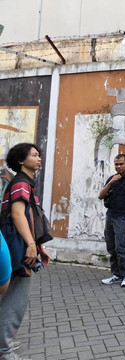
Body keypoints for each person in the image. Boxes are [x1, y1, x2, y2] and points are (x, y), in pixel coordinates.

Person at [0, 143, 51, 360]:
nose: (39, 158)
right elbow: (18, 215)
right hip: (19, 249)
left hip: (19, 246)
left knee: (10, 296)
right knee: (15, 300)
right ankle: (4, 348)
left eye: (39, 154)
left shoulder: (24, 183)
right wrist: (31, 245)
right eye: (34, 155)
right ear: (21, 161)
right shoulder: (21, 183)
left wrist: (39, 246)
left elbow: (31, 219)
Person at [98, 154, 125, 288]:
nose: (119, 166)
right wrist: (111, 182)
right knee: (111, 248)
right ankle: (116, 275)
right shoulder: (112, 178)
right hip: (111, 216)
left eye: (121, 164)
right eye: (116, 164)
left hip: (123, 218)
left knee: (121, 248)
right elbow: (100, 195)